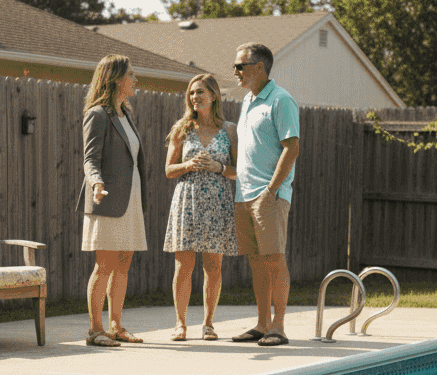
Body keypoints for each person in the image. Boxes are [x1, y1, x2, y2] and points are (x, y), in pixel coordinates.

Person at [230, 42, 300, 347]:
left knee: (274, 260)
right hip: (244, 195)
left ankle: (279, 327)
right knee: (256, 263)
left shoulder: (281, 100)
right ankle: (262, 324)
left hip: (268, 195)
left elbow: (292, 147)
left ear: (260, 67)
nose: (235, 71)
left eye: (240, 66)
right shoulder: (247, 101)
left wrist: (271, 190)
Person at [163, 74, 238, 342]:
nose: (194, 97)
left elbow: (239, 171)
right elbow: (168, 170)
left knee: (213, 266)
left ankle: (208, 323)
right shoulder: (182, 128)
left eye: (200, 92)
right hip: (187, 199)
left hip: (217, 202)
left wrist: (219, 167)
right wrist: (188, 165)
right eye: (192, 93)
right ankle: (180, 323)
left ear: (214, 96)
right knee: (183, 265)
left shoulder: (229, 130)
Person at [80, 54, 148, 348]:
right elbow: (90, 159)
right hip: (106, 199)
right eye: (131, 74)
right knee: (104, 265)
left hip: (130, 200)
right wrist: (96, 183)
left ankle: (116, 326)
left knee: (123, 263)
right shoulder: (98, 114)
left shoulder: (126, 114)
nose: (135, 80)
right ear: (117, 78)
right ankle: (96, 330)